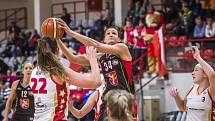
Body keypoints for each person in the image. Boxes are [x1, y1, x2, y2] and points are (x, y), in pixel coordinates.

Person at [57, 19, 135, 120]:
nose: (111, 34)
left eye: (114, 33)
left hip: (124, 97)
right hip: (108, 98)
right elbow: (73, 59)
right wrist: (57, 39)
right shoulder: (100, 57)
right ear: (105, 40)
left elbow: (97, 45)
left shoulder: (122, 48)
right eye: (108, 33)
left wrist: (71, 32)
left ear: (119, 39)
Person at [30, 37, 101, 121]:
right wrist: (92, 58)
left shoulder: (34, 72)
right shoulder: (57, 71)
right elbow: (96, 82)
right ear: (57, 51)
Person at [169, 46, 215, 121]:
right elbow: (183, 108)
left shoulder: (211, 91)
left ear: (205, 74)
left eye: (196, 70)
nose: (192, 73)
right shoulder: (191, 88)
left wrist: (198, 57)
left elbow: (212, 75)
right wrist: (176, 96)